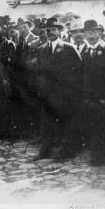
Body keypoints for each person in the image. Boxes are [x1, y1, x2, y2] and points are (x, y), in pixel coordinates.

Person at [35, 17, 82, 160]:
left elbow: (80, 70)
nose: (50, 32)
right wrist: (40, 90)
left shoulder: (68, 47)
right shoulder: (41, 49)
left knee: (66, 124)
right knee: (48, 124)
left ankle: (67, 152)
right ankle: (45, 152)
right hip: (48, 94)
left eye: (53, 29)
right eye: (47, 30)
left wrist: (72, 90)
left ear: (59, 31)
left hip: (65, 94)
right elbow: (39, 72)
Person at [80, 20, 105, 165]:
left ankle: (104, 157)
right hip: (89, 99)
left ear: (99, 33)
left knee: (104, 128)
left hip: (104, 99)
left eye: (93, 32)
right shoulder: (84, 51)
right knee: (92, 127)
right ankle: (96, 155)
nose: (90, 35)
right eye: (87, 32)